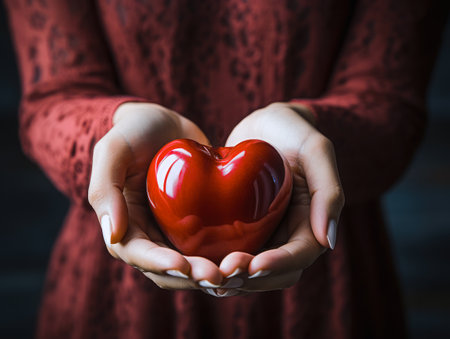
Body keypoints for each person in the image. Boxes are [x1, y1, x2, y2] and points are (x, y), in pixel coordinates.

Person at [4, 0, 448, 338]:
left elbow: (390, 101)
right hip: (127, 242)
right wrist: (114, 132)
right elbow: (53, 96)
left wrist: (312, 129)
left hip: (315, 251)